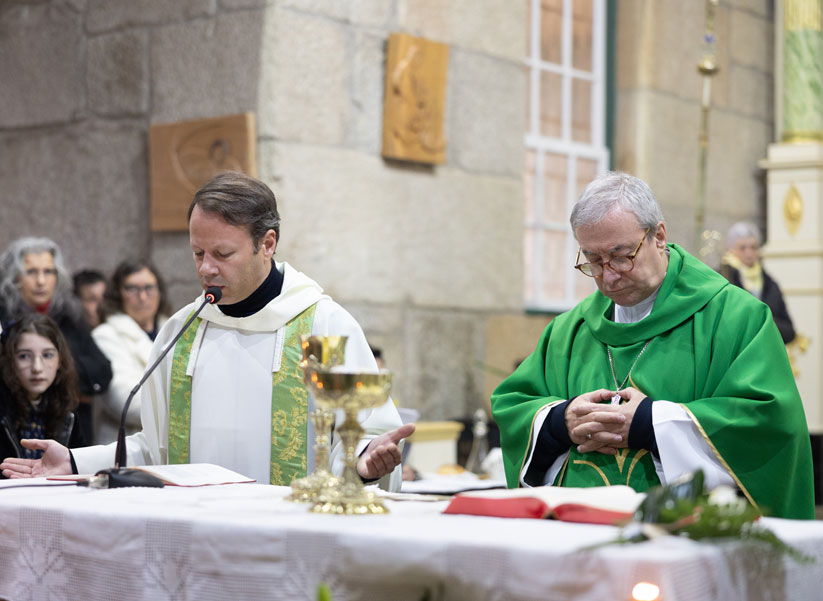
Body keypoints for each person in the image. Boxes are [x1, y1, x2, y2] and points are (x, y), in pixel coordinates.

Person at [1, 171, 413, 490]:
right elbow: (158, 451)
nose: (206, 268)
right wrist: (74, 462)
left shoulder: (320, 328)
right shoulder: (183, 333)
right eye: (198, 253)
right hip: (194, 541)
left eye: (222, 253)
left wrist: (364, 463)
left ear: (267, 243)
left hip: (284, 541)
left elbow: (363, 435)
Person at [491, 172, 814, 519]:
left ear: (658, 236)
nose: (609, 275)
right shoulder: (571, 329)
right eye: (593, 261)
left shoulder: (737, 319)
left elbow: (769, 424)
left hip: (687, 542)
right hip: (577, 539)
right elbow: (514, 405)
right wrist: (558, 422)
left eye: (620, 256)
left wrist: (651, 422)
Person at [0, 238, 112, 447]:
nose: (41, 281)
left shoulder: (70, 315)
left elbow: (103, 371)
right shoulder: (4, 317)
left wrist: (58, 377)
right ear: (13, 277)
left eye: (48, 272)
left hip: (67, 433)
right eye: (31, 272)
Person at [91, 260, 171, 444]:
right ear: (118, 294)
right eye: (133, 289)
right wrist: (184, 404)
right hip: (126, 444)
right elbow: (128, 403)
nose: (143, 297)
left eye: (149, 288)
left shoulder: (173, 329)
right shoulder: (106, 335)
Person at [0, 314, 84, 464]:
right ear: (10, 361)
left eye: (47, 355)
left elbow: (80, 468)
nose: (37, 368)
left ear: (59, 360)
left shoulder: (68, 411)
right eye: (24, 356)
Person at [720, 222, 796, 344]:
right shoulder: (723, 278)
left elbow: (790, 332)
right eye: (742, 248)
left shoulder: (770, 284)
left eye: (753, 247)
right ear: (731, 250)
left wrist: (764, 322)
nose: (749, 253)